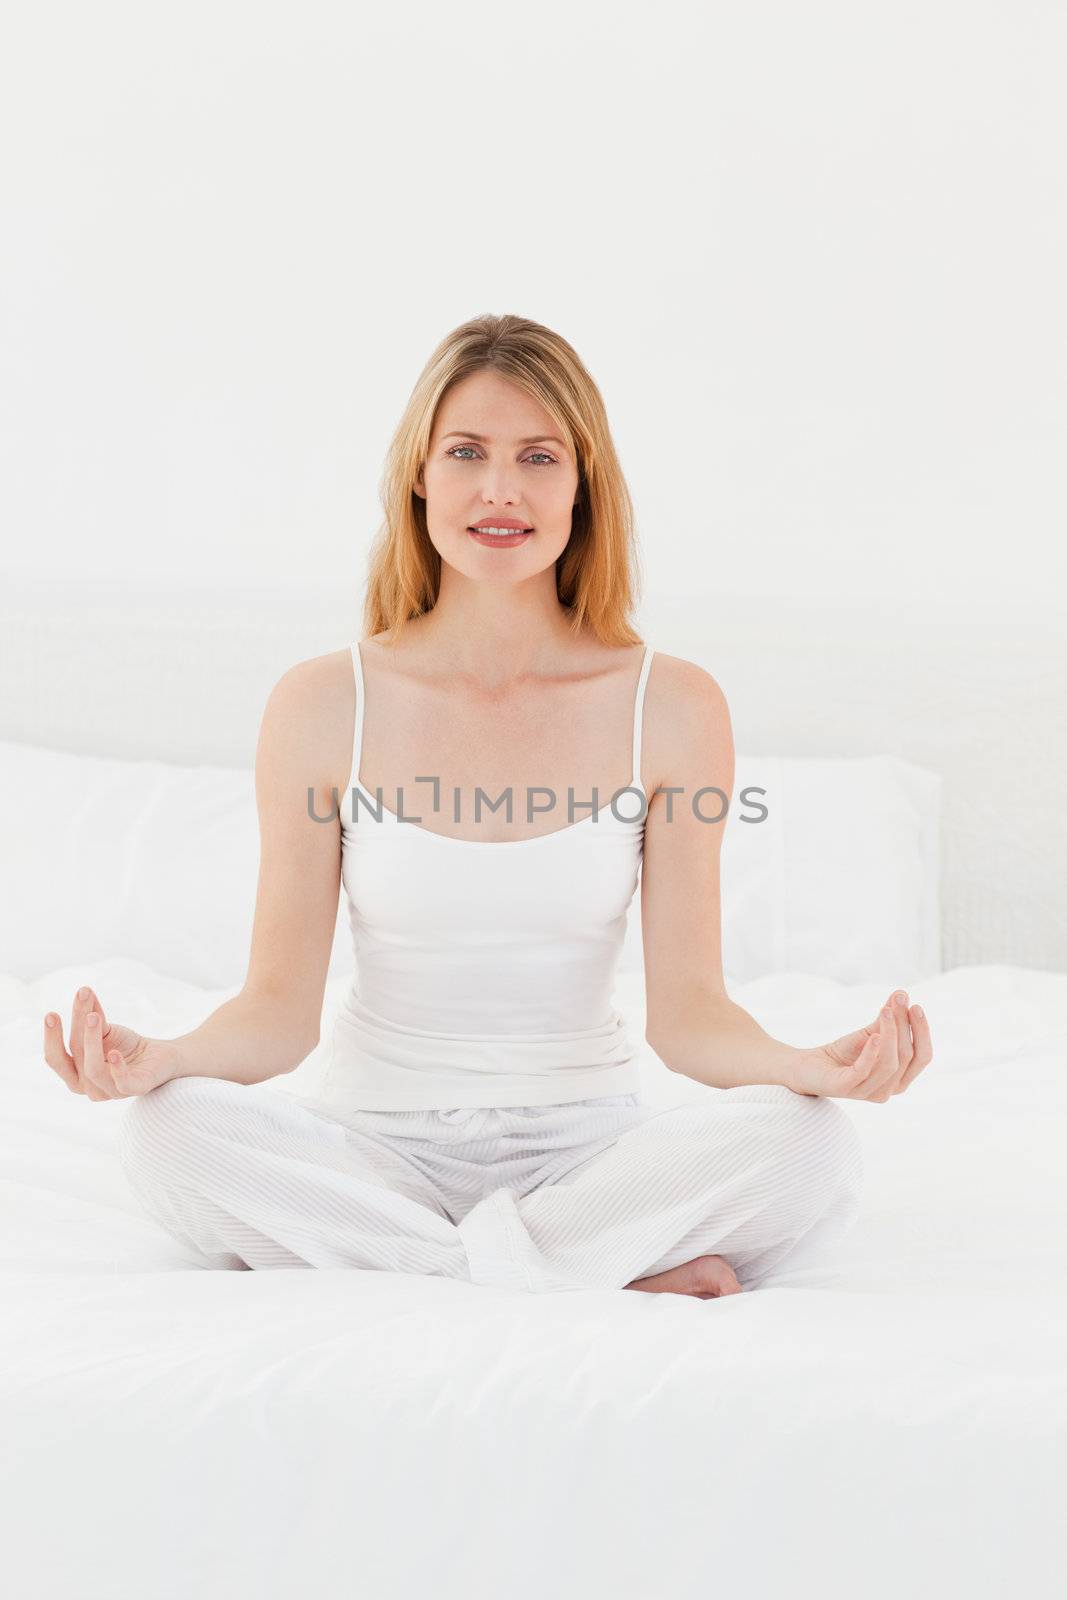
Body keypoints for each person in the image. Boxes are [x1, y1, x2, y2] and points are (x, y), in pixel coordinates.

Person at [42, 313, 933, 1296]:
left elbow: (689, 1015)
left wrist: (809, 1065)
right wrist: (160, 1056)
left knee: (808, 1146)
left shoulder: (669, 706)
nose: (499, 489)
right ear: (418, 476)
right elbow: (276, 1012)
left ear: (581, 483)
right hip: (374, 1150)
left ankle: (424, 1266)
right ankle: (573, 1269)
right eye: (465, 451)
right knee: (169, 1134)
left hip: (584, 1155)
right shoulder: (322, 702)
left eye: (538, 457)